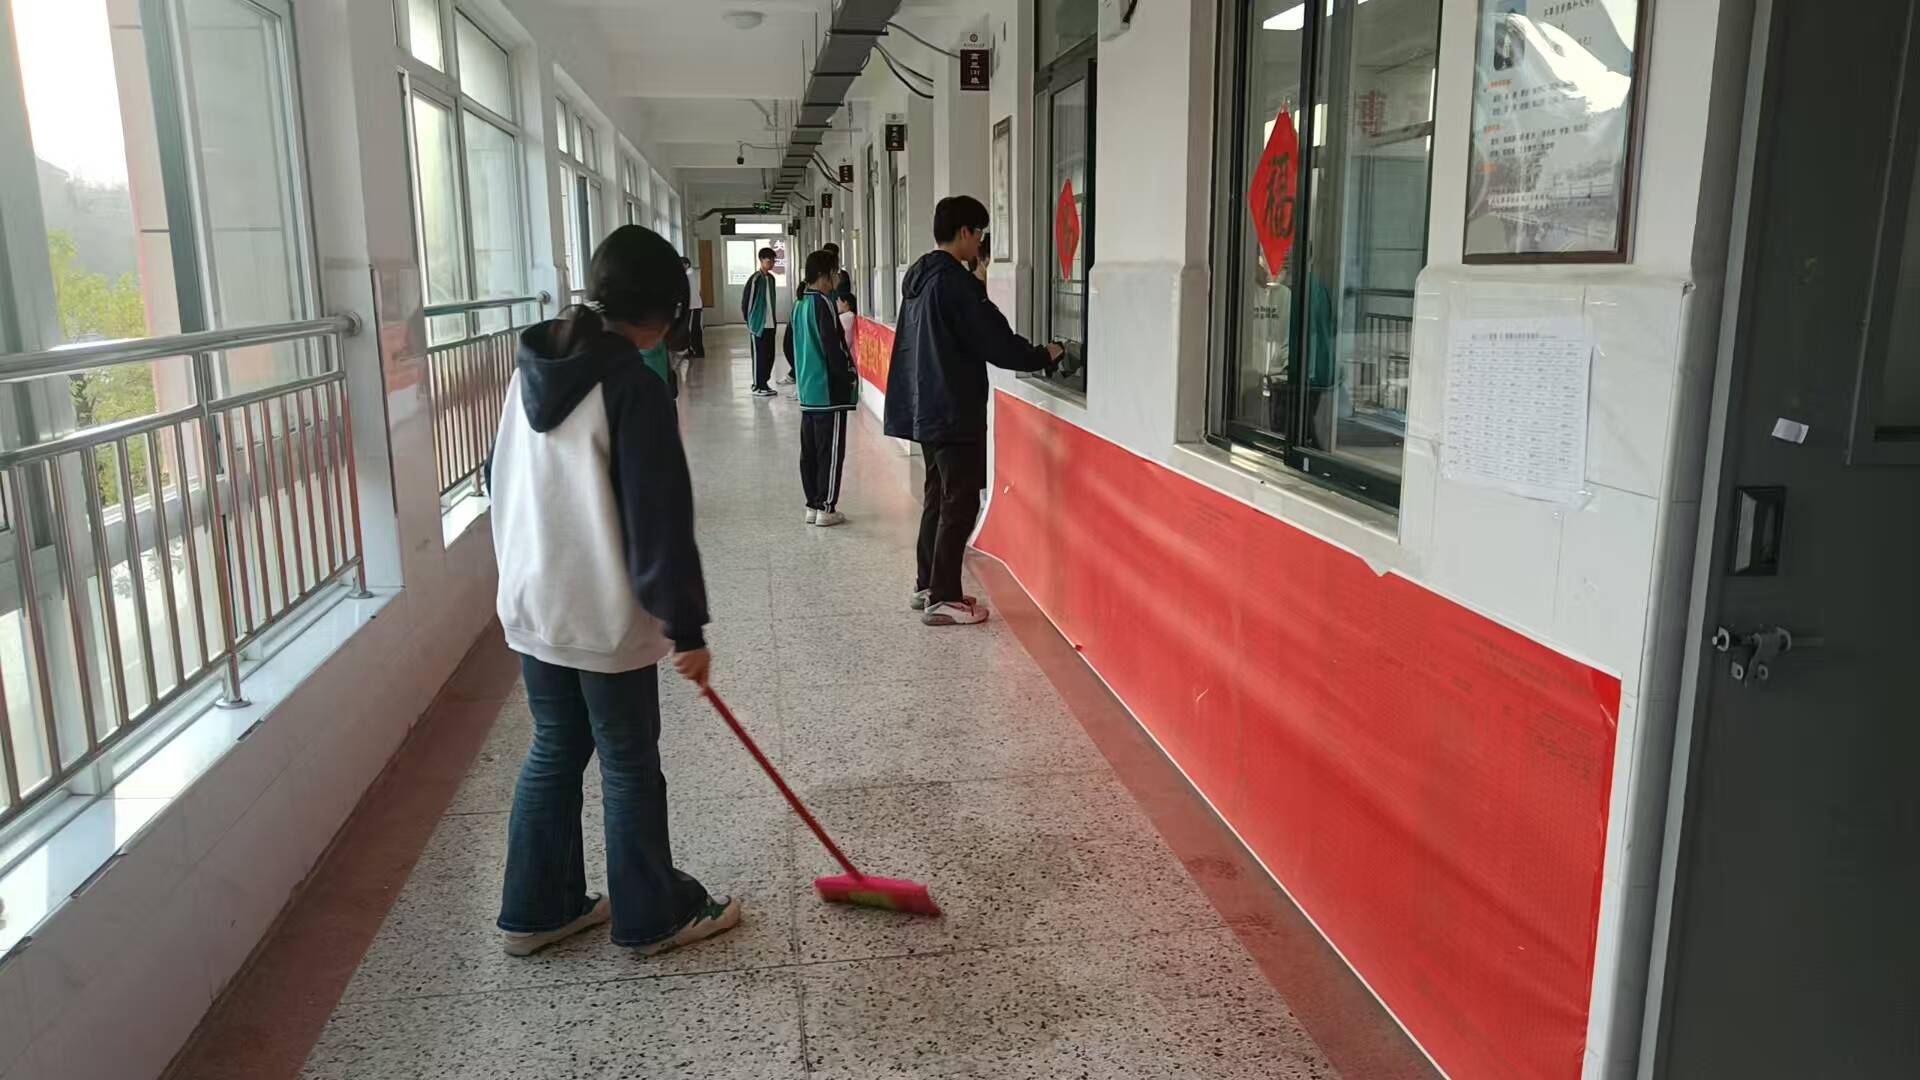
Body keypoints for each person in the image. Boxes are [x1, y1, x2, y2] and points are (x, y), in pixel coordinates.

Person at [488, 224, 740, 958]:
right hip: (601, 614)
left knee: (555, 747)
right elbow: (658, 522)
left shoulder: (531, 370)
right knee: (628, 763)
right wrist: (686, 630)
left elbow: (501, 481)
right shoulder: (632, 386)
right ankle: (652, 916)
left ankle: (537, 910)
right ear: (665, 309)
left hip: (533, 600)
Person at [885, 196, 1063, 626]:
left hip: (926, 406)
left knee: (937, 496)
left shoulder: (920, 278)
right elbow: (995, 341)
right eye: (979, 234)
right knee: (959, 502)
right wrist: (1044, 355)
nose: (980, 243)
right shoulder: (953, 283)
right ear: (965, 232)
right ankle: (944, 597)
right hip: (952, 409)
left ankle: (928, 583)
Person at [791, 250, 859, 527]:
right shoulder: (823, 303)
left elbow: (790, 347)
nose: (837, 278)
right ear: (824, 274)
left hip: (808, 390)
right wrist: (848, 375)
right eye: (835, 272)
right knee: (830, 452)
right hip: (828, 392)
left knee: (810, 452)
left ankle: (813, 504)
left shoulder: (799, 304)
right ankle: (826, 507)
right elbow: (834, 347)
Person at [741, 247, 777, 396]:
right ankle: (757, 385)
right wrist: (750, 322)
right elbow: (747, 302)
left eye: (773, 261)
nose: (772, 263)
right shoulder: (755, 279)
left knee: (769, 356)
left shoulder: (772, 279)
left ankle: (764, 383)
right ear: (761, 260)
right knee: (759, 357)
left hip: (771, 324)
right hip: (758, 325)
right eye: (769, 260)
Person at [681, 257, 705, 359]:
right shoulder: (691, 274)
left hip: (693, 306)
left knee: (694, 330)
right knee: (692, 329)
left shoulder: (689, 275)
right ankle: (693, 350)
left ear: (686, 264)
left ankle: (698, 351)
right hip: (694, 306)